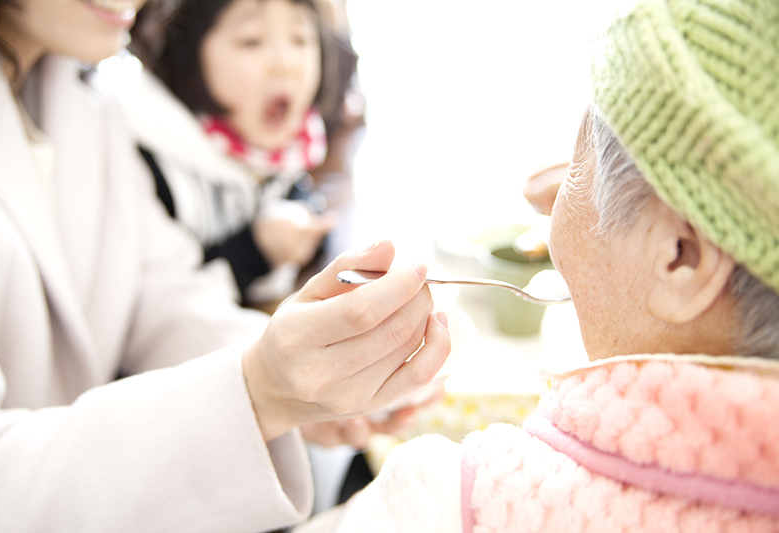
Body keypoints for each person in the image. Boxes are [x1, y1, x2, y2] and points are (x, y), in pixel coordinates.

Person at [295, 0, 779, 530]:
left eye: (578, 158)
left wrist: (271, 397)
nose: (544, 192)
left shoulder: (442, 502)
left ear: (680, 257)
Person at [0, 1, 451, 531]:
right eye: (251, 42)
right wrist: (256, 395)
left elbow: (159, 294)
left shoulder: (83, 100)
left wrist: (314, 371)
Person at [117, 0, 340, 305]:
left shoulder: (271, 142)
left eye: (300, 39)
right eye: (252, 41)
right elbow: (160, 302)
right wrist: (257, 250)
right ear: (189, 52)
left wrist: (304, 224)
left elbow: (293, 192)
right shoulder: (150, 156)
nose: (286, 63)